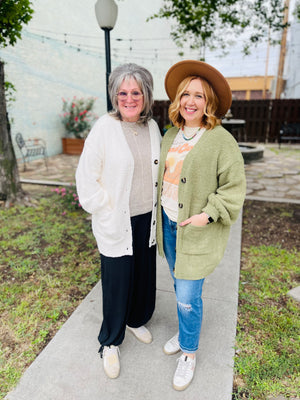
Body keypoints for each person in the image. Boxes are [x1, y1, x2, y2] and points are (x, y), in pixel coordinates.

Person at [156, 60, 246, 391]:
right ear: (178, 99)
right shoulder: (170, 135)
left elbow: (234, 188)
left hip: (196, 228)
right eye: (186, 94)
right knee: (179, 287)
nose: (191, 102)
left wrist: (207, 214)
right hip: (168, 224)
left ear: (208, 103)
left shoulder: (220, 140)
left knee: (188, 297)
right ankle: (184, 333)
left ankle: (189, 354)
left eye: (199, 96)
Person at [76, 63, 161, 379]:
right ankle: (110, 342)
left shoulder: (152, 127)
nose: (129, 98)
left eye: (136, 92)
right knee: (116, 281)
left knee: (142, 274)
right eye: (123, 92)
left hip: (146, 219)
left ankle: (135, 318)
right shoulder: (104, 127)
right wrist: (105, 209)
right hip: (117, 221)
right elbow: (86, 177)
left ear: (146, 95)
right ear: (115, 95)